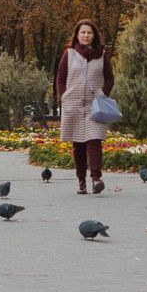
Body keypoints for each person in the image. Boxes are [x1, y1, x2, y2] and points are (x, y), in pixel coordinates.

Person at [55, 19, 114, 195]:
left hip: (94, 106)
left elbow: (110, 78)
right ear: (77, 35)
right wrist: (64, 96)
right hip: (73, 105)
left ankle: (96, 178)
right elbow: (60, 78)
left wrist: (103, 93)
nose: (86, 35)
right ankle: (81, 181)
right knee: (78, 144)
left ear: (94, 35)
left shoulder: (102, 55)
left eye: (89, 32)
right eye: (83, 32)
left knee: (94, 141)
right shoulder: (69, 54)